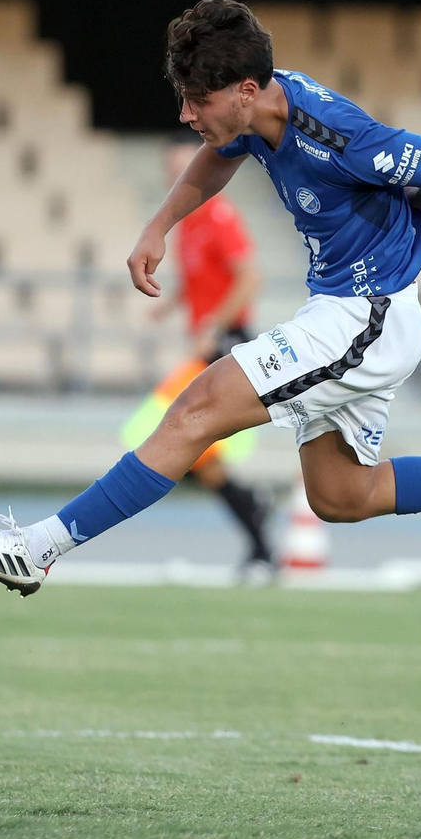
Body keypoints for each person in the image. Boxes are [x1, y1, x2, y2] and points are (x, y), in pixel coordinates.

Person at [0, 0, 421, 596]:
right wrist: (159, 227)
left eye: (196, 100)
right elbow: (219, 154)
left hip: (367, 315)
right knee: (341, 495)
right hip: (346, 311)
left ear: (245, 92)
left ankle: (37, 549)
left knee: (194, 410)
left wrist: (411, 223)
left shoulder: (339, 136)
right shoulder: (259, 111)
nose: (186, 115)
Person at [131, 141, 275, 581]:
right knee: (192, 451)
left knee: (175, 439)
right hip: (209, 343)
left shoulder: (218, 216)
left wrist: (214, 324)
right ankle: (254, 516)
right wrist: (171, 304)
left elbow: (249, 277)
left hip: (228, 343)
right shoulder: (190, 224)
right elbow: (198, 278)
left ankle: (259, 535)